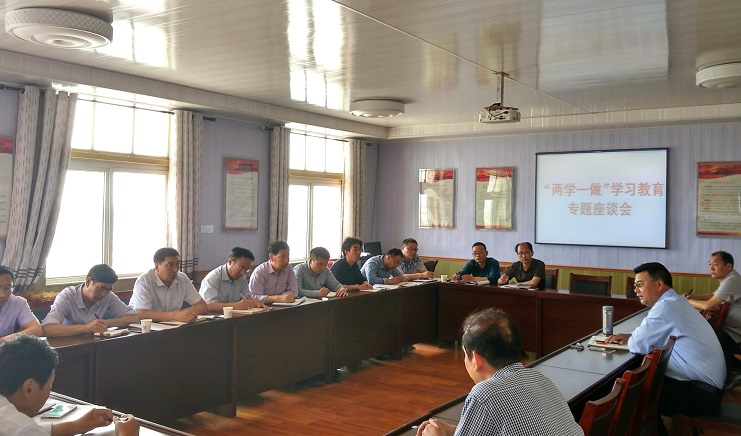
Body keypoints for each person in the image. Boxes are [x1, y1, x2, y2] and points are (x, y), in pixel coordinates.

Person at [415, 308, 583, 436]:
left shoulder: (484, 394)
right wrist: (454, 430)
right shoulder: (539, 378)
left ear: (476, 359)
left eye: (465, 355)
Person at [606, 262, 725, 435]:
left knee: (631, 398)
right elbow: (647, 337)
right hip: (708, 389)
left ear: (659, 284)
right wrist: (631, 336)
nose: (636, 290)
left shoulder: (666, 306)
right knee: (640, 392)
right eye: (635, 285)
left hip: (702, 394)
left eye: (640, 284)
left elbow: (638, 345)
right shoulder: (676, 302)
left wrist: (632, 338)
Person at [0, 335, 139, 436]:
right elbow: (27, 431)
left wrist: (76, 426)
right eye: (50, 384)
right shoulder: (20, 429)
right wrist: (128, 434)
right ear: (29, 388)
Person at [685, 251, 741, 389]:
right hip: (731, 327)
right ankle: (732, 373)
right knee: (713, 340)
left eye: (715, 264)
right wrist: (694, 297)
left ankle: (729, 375)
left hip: (735, 330)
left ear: (728, 266)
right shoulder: (729, 279)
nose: (711, 268)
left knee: (713, 344)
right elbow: (713, 295)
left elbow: (709, 305)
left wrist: (687, 301)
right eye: (710, 264)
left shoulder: (732, 280)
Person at [42, 264, 140, 337]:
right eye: (101, 288)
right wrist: (86, 328)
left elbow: (133, 318)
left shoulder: (108, 296)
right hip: (69, 345)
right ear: (88, 282)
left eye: (108, 290)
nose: (104, 294)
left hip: (94, 345)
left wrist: (106, 323)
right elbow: (47, 329)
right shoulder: (67, 296)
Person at [129, 247, 207, 323]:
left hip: (171, 324)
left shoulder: (182, 278)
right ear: (157, 266)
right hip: (143, 327)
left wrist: (184, 315)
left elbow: (202, 306)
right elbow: (142, 314)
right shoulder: (144, 281)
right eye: (170, 265)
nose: (176, 269)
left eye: (177, 264)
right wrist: (175, 315)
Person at [199, 247, 268, 313]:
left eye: (247, 269)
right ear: (230, 261)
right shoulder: (213, 278)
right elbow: (207, 306)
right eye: (241, 268)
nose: (243, 272)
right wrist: (235, 306)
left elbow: (247, 297)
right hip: (214, 318)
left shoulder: (242, 277)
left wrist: (255, 302)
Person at [0, 266, 42, 342]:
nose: (2, 295)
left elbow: (36, 329)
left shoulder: (18, 303)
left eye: (7, 288)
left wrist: (3, 340)